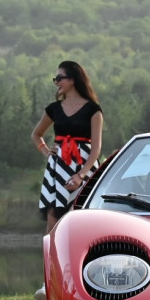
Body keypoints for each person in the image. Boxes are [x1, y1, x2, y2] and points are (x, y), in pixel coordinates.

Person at [32, 61, 104, 232]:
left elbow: (96, 148)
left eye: (59, 78)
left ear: (72, 80)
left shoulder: (93, 110)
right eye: (55, 79)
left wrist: (80, 175)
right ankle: (51, 258)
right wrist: (46, 151)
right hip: (58, 168)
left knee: (84, 220)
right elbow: (36, 134)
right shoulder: (54, 109)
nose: (56, 82)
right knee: (53, 220)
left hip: (85, 168)